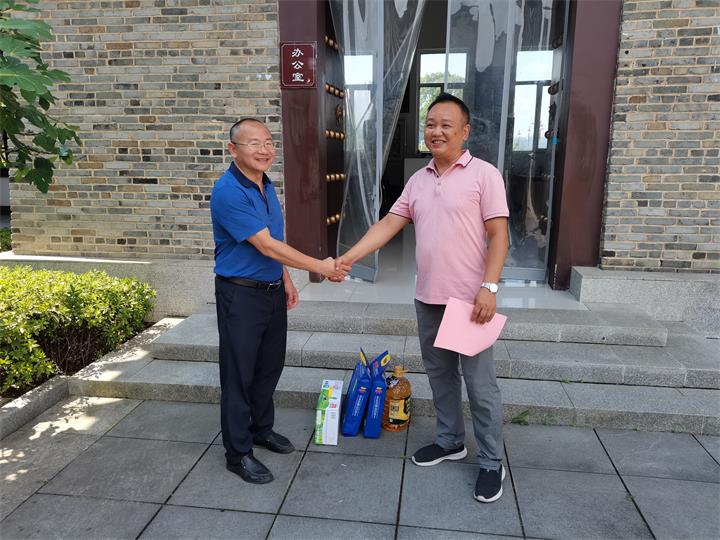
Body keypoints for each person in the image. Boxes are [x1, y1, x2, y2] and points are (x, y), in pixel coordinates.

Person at [337, 93, 510, 502]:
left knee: (480, 386)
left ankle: (491, 462)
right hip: (428, 296)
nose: (436, 131)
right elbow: (389, 224)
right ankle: (450, 441)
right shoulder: (419, 180)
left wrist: (489, 287)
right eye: (431, 124)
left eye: (446, 125)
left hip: (470, 302)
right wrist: (348, 258)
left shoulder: (484, 175)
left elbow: (499, 235)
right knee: (440, 376)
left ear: (465, 132)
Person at [211, 118, 349, 484]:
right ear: (233, 150)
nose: (264, 150)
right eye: (253, 143)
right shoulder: (228, 191)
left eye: (268, 142)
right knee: (239, 375)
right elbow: (266, 245)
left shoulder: (266, 185)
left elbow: (274, 241)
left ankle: (261, 429)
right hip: (240, 295)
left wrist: (286, 279)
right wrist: (321, 266)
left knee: (269, 367)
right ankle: (238, 453)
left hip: (270, 291)